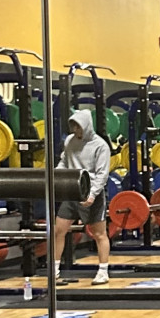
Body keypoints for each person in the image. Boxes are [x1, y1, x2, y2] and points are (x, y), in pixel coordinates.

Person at [53, 107, 112, 284]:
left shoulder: (100, 146)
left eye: (78, 126)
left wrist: (92, 195)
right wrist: (57, 175)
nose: (75, 130)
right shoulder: (70, 141)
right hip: (71, 191)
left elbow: (102, 175)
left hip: (91, 192)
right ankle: (54, 271)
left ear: (86, 126)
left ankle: (103, 272)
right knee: (58, 230)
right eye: (73, 126)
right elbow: (64, 161)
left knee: (99, 234)